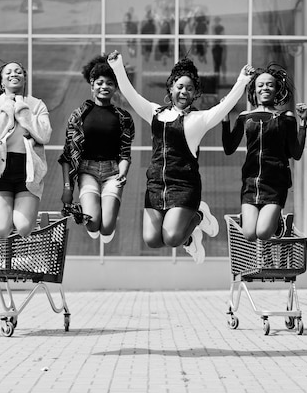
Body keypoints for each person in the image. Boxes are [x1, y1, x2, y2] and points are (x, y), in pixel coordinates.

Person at [107, 50, 254, 263]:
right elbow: (131, 94)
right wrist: (117, 67)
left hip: (184, 188)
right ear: (171, 88)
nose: (184, 91)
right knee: (152, 240)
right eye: (180, 87)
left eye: (190, 88)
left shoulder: (200, 119)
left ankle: (199, 215)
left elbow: (225, 106)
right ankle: (190, 240)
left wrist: (242, 80)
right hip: (156, 186)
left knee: (172, 237)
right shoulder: (155, 113)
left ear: (195, 93)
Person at [222, 64, 307, 241]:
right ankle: (255, 220)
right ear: (254, 89)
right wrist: (225, 118)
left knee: (262, 233)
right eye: (260, 85)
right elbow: (229, 148)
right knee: (249, 235)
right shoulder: (245, 117)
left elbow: (296, 152)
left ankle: (278, 222)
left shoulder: (286, 117)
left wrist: (303, 123)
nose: (265, 88)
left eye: (270, 84)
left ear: (277, 89)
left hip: (276, 184)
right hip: (251, 183)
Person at [58, 54, 135, 244]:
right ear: (92, 85)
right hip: (87, 171)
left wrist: (123, 174)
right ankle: (94, 210)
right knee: (92, 225)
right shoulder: (79, 115)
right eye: (100, 83)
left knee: (107, 230)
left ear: (115, 88)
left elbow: (125, 154)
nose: (104, 87)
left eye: (110, 83)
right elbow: (67, 155)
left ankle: (105, 209)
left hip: (112, 173)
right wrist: (67, 189)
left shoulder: (124, 118)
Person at [0, 58, 52, 238]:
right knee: (2, 230)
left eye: (19, 72)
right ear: (2, 81)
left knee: (23, 228)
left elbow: (44, 135)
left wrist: (22, 109)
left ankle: (27, 221)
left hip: (28, 172)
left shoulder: (37, 105)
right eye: (9, 72)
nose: (14, 74)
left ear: (25, 78)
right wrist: (7, 109)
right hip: (0, 171)